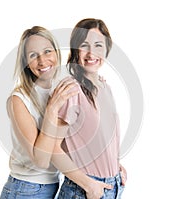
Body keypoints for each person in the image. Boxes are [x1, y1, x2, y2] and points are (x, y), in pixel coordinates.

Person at [0, 26, 79, 199]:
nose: (42, 61)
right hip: (25, 189)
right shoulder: (18, 100)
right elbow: (41, 161)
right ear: (25, 63)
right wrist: (51, 110)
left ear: (56, 53)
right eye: (33, 55)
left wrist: (110, 166)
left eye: (47, 51)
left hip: (53, 185)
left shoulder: (60, 89)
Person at [52, 18, 127, 199]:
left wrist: (116, 165)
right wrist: (89, 185)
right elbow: (53, 149)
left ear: (106, 49)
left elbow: (103, 138)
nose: (91, 53)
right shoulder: (70, 90)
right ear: (75, 50)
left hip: (111, 186)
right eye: (84, 45)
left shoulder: (105, 88)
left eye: (98, 45)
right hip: (83, 190)